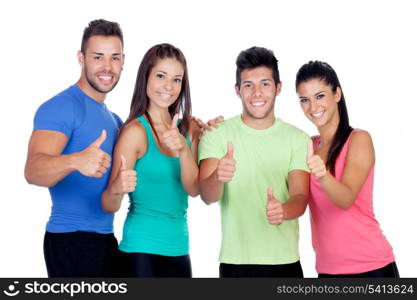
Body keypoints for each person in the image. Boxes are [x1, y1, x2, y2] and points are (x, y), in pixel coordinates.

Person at [24, 19, 125, 277]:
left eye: (114, 57)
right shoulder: (62, 106)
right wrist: (75, 161)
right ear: (81, 58)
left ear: (123, 60)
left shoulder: (114, 120)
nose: (107, 67)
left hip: (106, 240)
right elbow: (33, 171)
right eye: (98, 57)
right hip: (70, 241)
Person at [198, 46, 310, 278]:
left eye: (265, 84)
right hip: (235, 263)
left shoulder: (298, 139)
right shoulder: (216, 133)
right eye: (248, 85)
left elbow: (300, 197)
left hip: (285, 262)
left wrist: (283, 210)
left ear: (278, 88)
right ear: (237, 90)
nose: (257, 93)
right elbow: (208, 196)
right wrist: (217, 176)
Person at [102, 43, 201, 278]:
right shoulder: (135, 132)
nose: (169, 86)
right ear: (145, 78)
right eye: (160, 76)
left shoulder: (191, 129)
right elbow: (109, 203)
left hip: (179, 250)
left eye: (177, 79)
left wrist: (184, 150)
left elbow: (195, 189)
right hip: (140, 252)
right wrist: (117, 187)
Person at [296, 60, 398, 278]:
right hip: (327, 272)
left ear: (337, 94)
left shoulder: (358, 139)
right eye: (304, 100)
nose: (313, 107)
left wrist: (322, 173)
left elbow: (346, 198)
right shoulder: (307, 146)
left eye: (320, 96)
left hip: (371, 268)